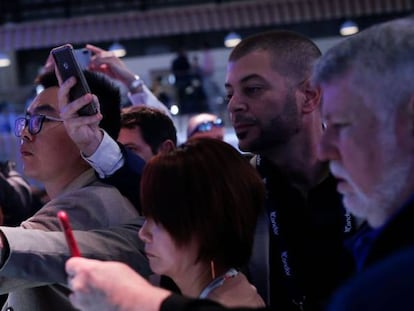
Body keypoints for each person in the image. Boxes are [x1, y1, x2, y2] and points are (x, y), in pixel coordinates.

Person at [225, 30, 357, 310]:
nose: (234, 105)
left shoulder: (379, 180)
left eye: (253, 89)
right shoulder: (232, 195)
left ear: (308, 96)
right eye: (229, 93)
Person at [68, 137, 266, 310]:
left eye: (160, 220)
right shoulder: (224, 288)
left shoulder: (226, 301)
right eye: (147, 217)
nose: (143, 233)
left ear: (206, 224)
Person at [0, 69, 140, 311]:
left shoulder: (95, 203)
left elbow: (24, 248)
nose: (25, 132)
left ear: (86, 127)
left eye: (41, 120)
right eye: (27, 119)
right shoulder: (88, 196)